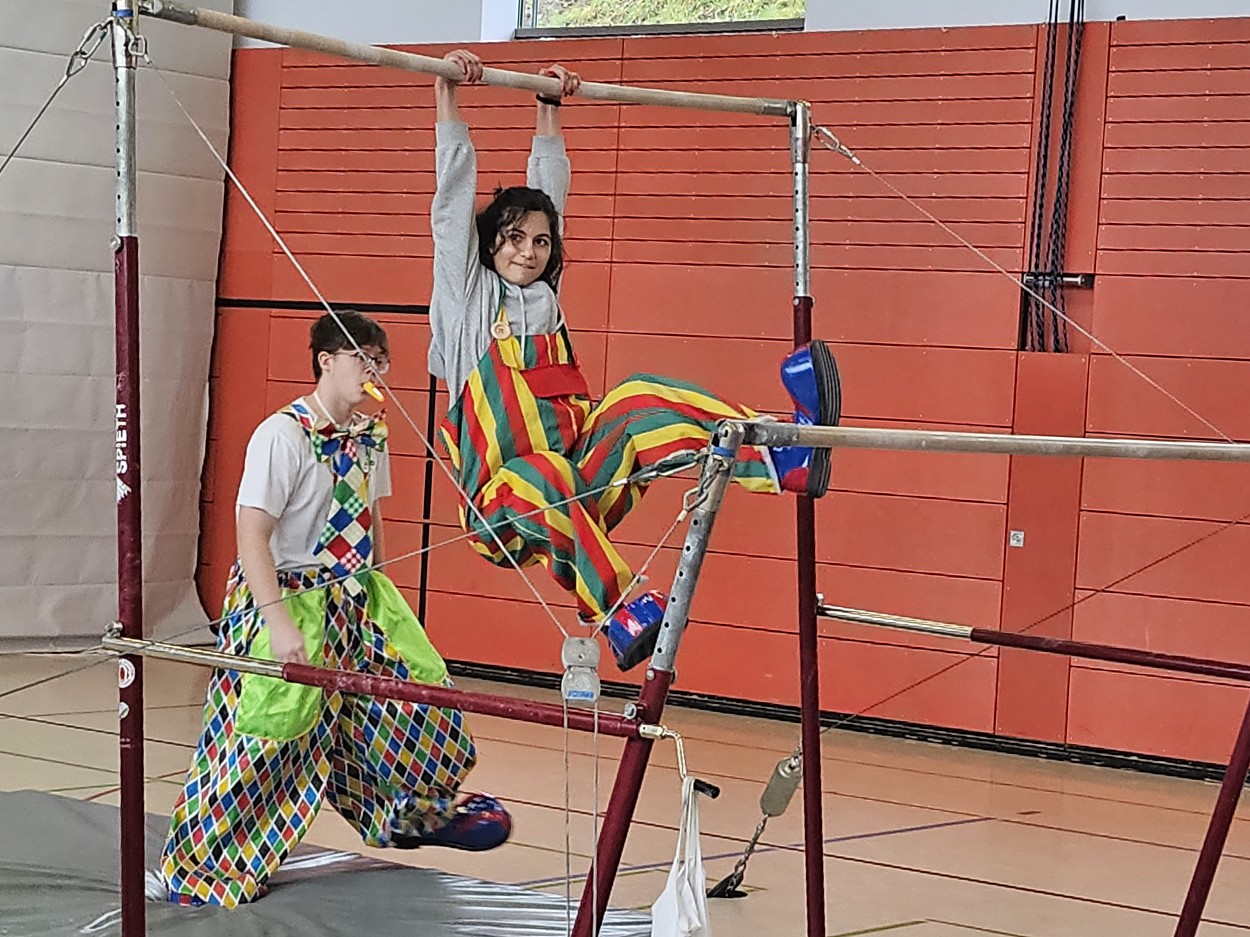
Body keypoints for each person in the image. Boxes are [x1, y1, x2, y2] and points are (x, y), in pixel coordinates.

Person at [428, 51, 839, 670]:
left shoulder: (546, 300)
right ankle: (619, 610)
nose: (528, 253)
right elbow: (451, 207)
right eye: (513, 239)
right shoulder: (467, 302)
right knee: (543, 472)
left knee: (637, 396)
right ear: (489, 245)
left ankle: (784, 456)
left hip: (582, 483)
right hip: (504, 508)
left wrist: (548, 107)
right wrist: (447, 95)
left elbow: (551, 194)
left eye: (541, 242)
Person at [160, 311, 510, 909]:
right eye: (363, 358)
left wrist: (385, 599)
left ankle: (411, 813)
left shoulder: (371, 436)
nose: (375, 370)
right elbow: (252, 533)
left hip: (355, 592)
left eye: (382, 360)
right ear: (326, 360)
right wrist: (278, 621)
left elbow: (374, 519)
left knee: (420, 691)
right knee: (270, 734)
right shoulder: (283, 435)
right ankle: (204, 863)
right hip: (289, 594)